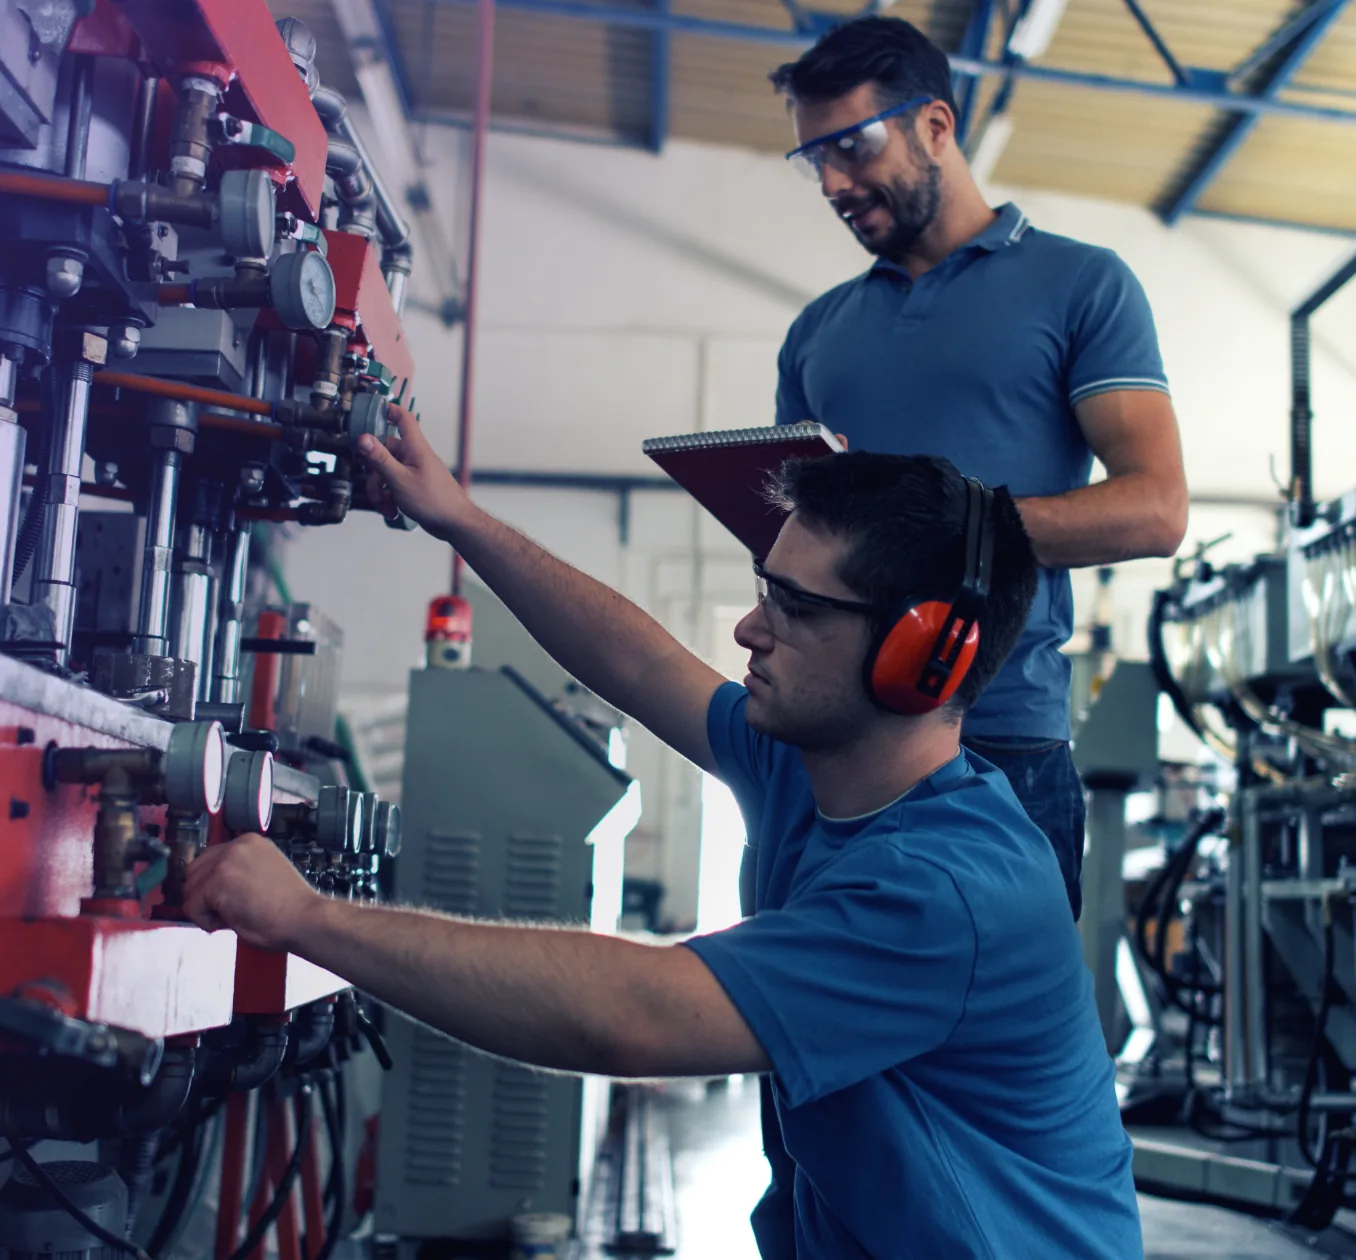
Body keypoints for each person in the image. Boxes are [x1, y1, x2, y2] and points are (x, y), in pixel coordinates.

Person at [185, 408, 1142, 1260]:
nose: (750, 630)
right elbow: (642, 664)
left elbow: (632, 1016)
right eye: (766, 589)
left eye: (796, 607)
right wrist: (459, 519)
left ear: (922, 660)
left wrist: (306, 918)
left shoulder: (948, 889)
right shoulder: (811, 763)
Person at [771, 16, 1190, 920]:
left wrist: (940, 539)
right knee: (809, 1011)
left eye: (852, 146)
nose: (834, 183)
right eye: (815, 160)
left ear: (935, 125)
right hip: (831, 745)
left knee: (1002, 1014)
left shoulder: (1082, 285)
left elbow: (1155, 510)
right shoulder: (816, 334)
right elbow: (787, 532)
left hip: (1002, 744)